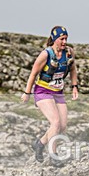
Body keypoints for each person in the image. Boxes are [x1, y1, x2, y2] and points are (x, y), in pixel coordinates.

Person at [21, 26, 79, 165]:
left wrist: (74, 86)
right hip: (43, 91)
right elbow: (33, 74)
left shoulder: (69, 52)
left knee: (62, 126)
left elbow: (73, 69)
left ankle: (39, 144)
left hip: (58, 92)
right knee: (55, 123)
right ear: (54, 39)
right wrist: (27, 93)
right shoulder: (46, 54)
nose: (64, 42)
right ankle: (54, 156)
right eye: (61, 39)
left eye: (66, 38)